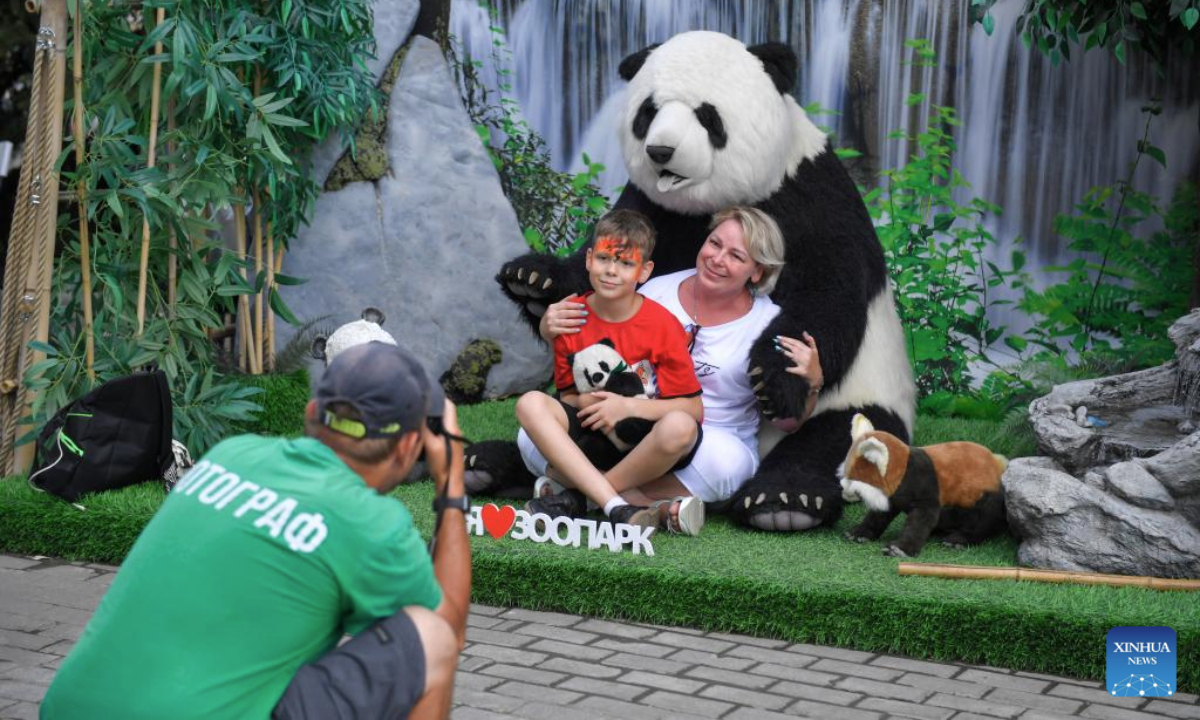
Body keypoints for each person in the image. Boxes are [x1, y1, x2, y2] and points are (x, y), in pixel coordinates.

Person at [41, 342, 472, 720]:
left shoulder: (231, 455)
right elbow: (448, 630)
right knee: (431, 638)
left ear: (311, 413)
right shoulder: (372, 522)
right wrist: (451, 486)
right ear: (409, 445)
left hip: (67, 708)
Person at [534, 206, 824, 534]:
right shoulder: (655, 289)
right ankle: (643, 505)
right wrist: (549, 329)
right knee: (531, 435)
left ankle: (582, 494)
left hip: (709, 441)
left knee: (726, 464)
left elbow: (787, 422)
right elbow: (598, 343)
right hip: (632, 430)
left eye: (736, 256)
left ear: (757, 271)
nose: (717, 259)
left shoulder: (770, 325)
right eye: (715, 243)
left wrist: (812, 384)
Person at [517, 209, 704, 530]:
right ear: (589, 259)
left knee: (681, 426)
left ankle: (579, 497)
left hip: (643, 441)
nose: (611, 271)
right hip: (592, 435)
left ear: (644, 271)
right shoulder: (570, 316)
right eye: (604, 258)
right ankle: (620, 504)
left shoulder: (662, 324)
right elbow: (568, 397)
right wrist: (591, 402)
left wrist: (627, 407)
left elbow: (694, 409)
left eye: (626, 263)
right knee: (530, 403)